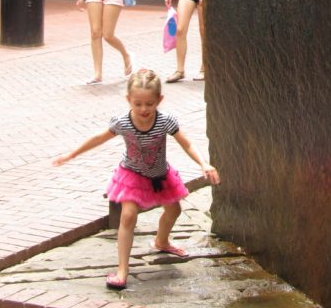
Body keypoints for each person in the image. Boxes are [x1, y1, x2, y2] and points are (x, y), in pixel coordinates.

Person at [53, 68, 220, 290]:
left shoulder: (165, 121)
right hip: (131, 175)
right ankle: (123, 269)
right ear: (128, 100)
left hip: (159, 175)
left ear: (159, 100)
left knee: (174, 211)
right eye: (138, 103)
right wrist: (72, 154)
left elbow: (187, 143)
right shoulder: (122, 122)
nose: (144, 109)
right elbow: (98, 138)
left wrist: (203, 163)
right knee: (128, 216)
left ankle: (162, 241)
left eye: (149, 104)